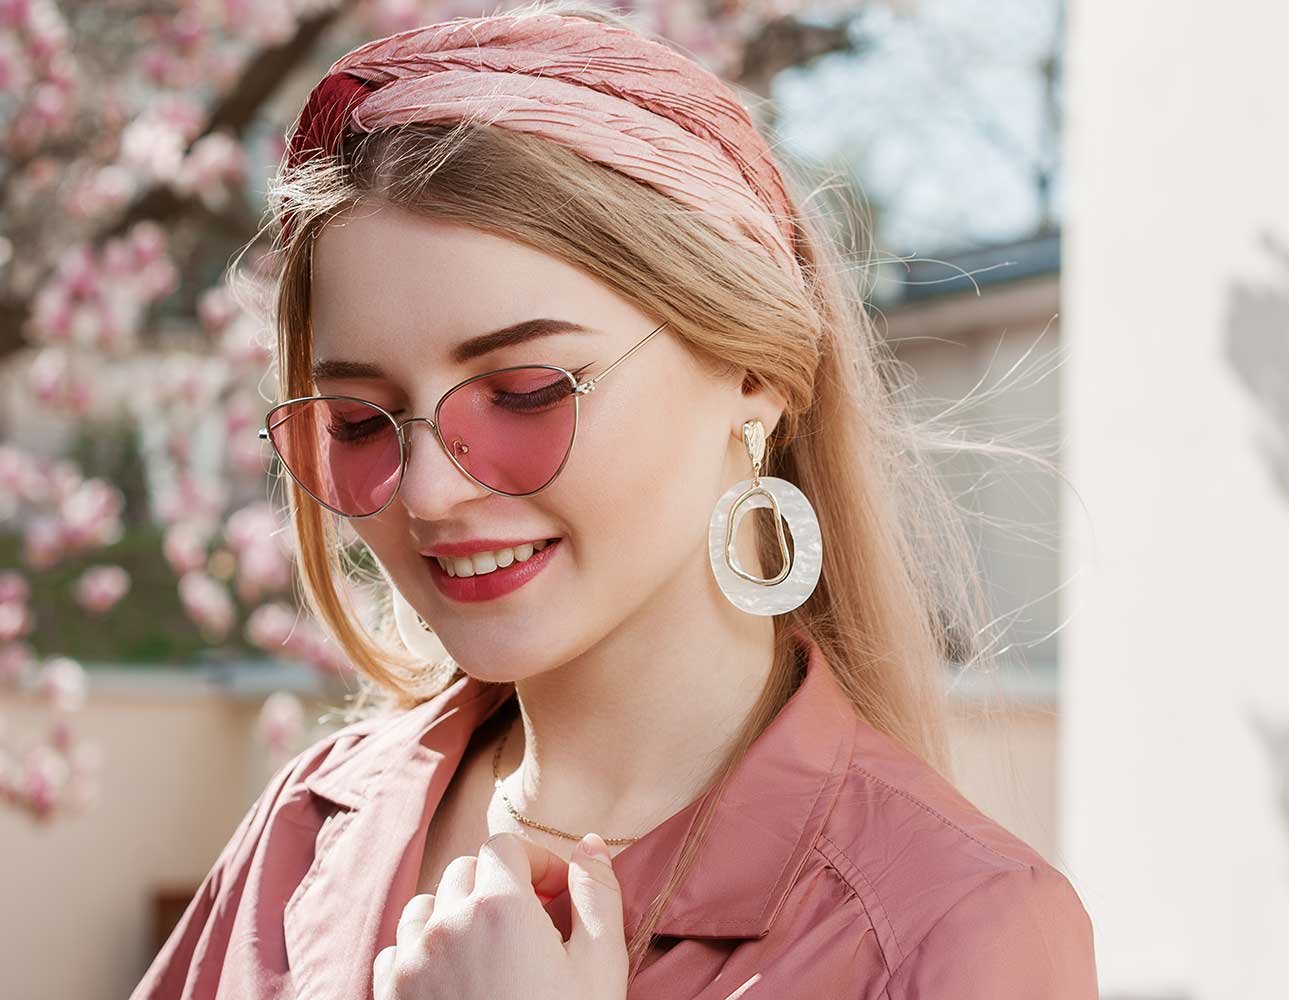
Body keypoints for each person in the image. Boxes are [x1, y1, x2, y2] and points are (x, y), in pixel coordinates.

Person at [128, 2, 1096, 997]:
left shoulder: (956, 932)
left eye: (524, 393)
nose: (427, 490)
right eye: (362, 422)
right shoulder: (310, 827)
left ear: (752, 371)